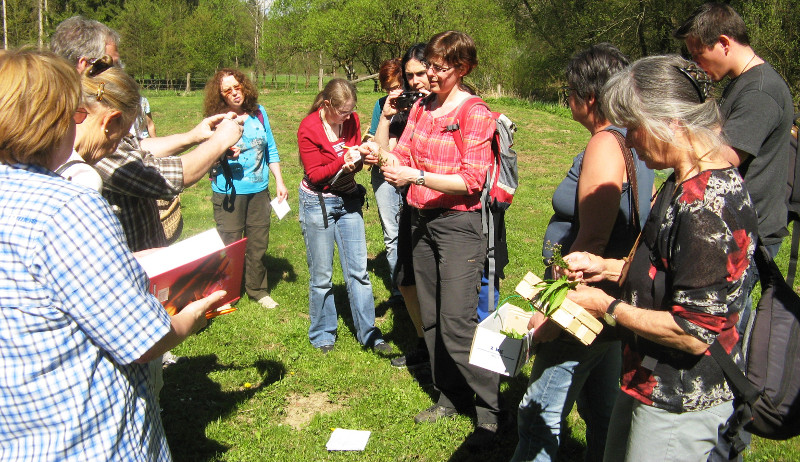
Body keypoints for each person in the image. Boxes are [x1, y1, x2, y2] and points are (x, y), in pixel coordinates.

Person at [0, 48, 226, 461]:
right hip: (90, 439)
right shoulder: (69, 208)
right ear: (56, 119)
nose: (80, 117)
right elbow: (142, 338)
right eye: (73, 111)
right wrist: (191, 316)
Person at [560, 55, 758, 462]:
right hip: (648, 382)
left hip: (681, 400)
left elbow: (693, 331)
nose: (628, 141)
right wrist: (607, 267)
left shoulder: (704, 206)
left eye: (633, 127)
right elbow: (672, 272)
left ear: (671, 122)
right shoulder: (683, 180)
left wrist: (606, 304)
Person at [512, 43, 655, 462]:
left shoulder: (605, 145)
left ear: (589, 97)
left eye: (570, 92)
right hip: (608, 301)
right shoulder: (634, 139)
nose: (567, 100)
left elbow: (590, 239)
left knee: (539, 412)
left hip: (582, 301)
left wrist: (551, 314)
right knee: (602, 409)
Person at [363, 31, 501, 449]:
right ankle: (450, 396)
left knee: (458, 323)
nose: (432, 76)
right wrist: (377, 155)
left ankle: (492, 409)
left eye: (441, 68)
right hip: (421, 221)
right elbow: (402, 154)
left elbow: (473, 181)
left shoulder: (476, 112)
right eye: (431, 67)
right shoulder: (422, 107)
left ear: (462, 69)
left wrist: (416, 176)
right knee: (432, 317)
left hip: (459, 226)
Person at [674, 6, 795, 459]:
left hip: (749, 238)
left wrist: (676, 141)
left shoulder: (761, 90)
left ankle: (726, 441)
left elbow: (725, 155)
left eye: (699, 53)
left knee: (726, 340)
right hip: (737, 230)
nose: (699, 64)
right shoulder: (745, 85)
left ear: (724, 42)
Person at [50, 15, 244, 252]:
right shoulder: (83, 128)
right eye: (112, 64)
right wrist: (220, 140)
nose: (120, 71)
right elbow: (164, 177)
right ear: (85, 65)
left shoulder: (90, 117)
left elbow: (135, 148)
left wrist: (194, 136)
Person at [297, 78, 392, 355]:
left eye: (351, 110)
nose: (349, 117)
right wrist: (343, 160)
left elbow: (354, 161)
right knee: (322, 275)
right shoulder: (309, 127)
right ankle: (323, 334)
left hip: (348, 199)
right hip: (318, 202)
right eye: (343, 112)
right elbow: (315, 174)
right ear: (327, 105)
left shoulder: (352, 121)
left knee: (359, 272)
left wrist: (364, 156)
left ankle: (370, 334)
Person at [203, 69, 287, 309]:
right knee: (230, 244)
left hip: (259, 191)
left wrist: (279, 181)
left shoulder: (259, 113)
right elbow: (208, 155)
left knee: (258, 243)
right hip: (229, 191)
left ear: (244, 87)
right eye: (227, 90)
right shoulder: (218, 119)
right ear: (220, 95)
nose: (234, 94)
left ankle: (258, 290)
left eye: (237, 87)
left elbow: (271, 147)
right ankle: (224, 294)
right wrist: (224, 153)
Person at [376, 43, 432, 370]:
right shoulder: (410, 108)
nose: (414, 82)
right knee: (405, 279)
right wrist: (385, 116)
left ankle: (442, 356)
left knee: (431, 284)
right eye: (409, 76)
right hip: (412, 200)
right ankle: (425, 344)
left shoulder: (448, 107)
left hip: (441, 208)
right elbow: (388, 153)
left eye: (419, 74)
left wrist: (410, 173)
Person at [58, 56, 140, 192]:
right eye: (120, 137)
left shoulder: (36, 153)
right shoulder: (84, 180)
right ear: (108, 122)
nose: (114, 149)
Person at [364, 58, 405, 304]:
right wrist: (385, 119)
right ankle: (399, 289)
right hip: (383, 176)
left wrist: (391, 147)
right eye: (389, 88)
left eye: (398, 86)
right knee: (392, 235)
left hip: (410, 174)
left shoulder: (418, 104)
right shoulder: (381, 105)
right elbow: (379, 149)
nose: (393, 92)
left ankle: (417, 283)